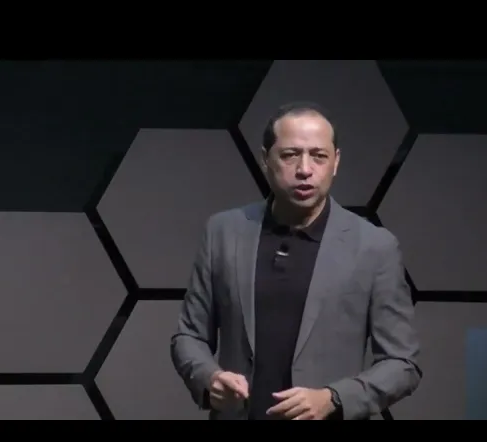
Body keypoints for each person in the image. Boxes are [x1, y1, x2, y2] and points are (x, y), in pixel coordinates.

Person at [170, 101, 422, 420]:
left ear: (335, 162)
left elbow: (403, 364)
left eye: (319, 156)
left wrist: (333, 398)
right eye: (290, 155)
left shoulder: (374, 247)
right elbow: (188, 336)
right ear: (265, 159)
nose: (305, 169)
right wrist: (210, 378)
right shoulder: (223, 232)